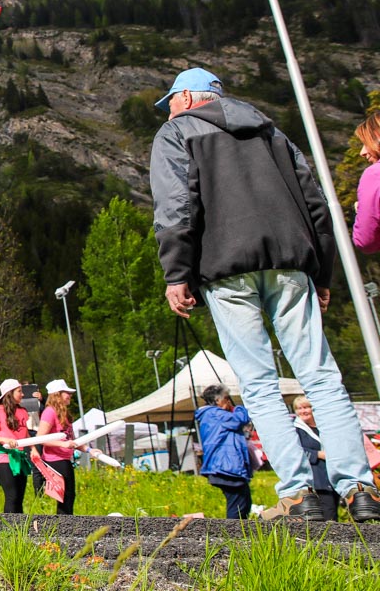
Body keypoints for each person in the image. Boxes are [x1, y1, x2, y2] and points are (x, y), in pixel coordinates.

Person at [149, 67, 380, 522]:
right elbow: (315, 202)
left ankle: (299, 494)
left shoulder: (176, 134)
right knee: (322, 378)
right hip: (291, 265)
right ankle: (361, 488)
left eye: (171, 100)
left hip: (226, 269)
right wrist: (323, 273)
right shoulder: (271, 131)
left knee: (258, 383)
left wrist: (177, 275)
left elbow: (175, 205)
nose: (168, 110)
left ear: (190, 98)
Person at [31, 379, 98, 515]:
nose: (70, 396)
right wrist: (63, 444)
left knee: (69, 496)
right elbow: (40, 437)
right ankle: (63, 528)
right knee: (65, 497)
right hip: (55, 460)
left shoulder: (65, 415)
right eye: (66, 393)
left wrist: (89, 450)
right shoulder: (49, 412)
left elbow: (71, 440)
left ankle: (66, 526)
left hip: (65, 459)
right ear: (58, 394)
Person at [194, 384, 254, 520]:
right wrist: (238, 407)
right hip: (226, 467)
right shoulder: (215, 414)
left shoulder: (210, 415)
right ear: (218, 400)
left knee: (243, 501)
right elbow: (240, 420)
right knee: (237, 505)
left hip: (225, 467)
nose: (228, 401)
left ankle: (240, 533)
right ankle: (234, 535)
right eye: (226, 398)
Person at [0, 378, 30, 514]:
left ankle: (20, 531)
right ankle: (9, 530)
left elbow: (26, 435)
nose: (22, 394)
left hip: (20, 458)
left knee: (20, 498)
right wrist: (4, 439)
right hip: (4, 458)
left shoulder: (23, 411)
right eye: (19, 391)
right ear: (10, 393)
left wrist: (34, 450)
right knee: (12, 496)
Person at [292, 395, 339, 522]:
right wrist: (317, 454)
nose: (303, 411)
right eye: (299, 408)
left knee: (333, 508)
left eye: (307, 407)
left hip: (331, 473)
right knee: (326, 510)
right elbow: (295, 450)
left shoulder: (324, 427)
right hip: (315, 476)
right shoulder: (295, 429)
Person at [352, 111, 380, 253]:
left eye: (366, 143)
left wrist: (363, 211)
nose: (362, 152)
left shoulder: (375, 175)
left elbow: (365, 241)